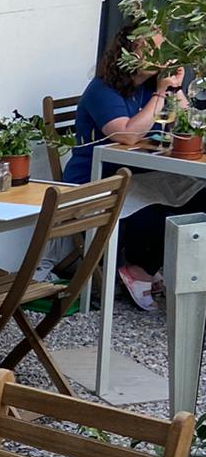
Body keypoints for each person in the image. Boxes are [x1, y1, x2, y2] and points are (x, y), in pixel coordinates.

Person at [64, 23, 206, 310]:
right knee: (158, 209)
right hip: (97, 181)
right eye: (151, 48)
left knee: (201, 196)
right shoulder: (102, 89)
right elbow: (127, 135)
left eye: (162, 48)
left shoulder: (153, 86)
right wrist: (160, 93)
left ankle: (163, 271)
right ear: (129, 52)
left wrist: (175, 89)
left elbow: (188, 125)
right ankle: (139, 267)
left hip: (140, 176)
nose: (160, 54)